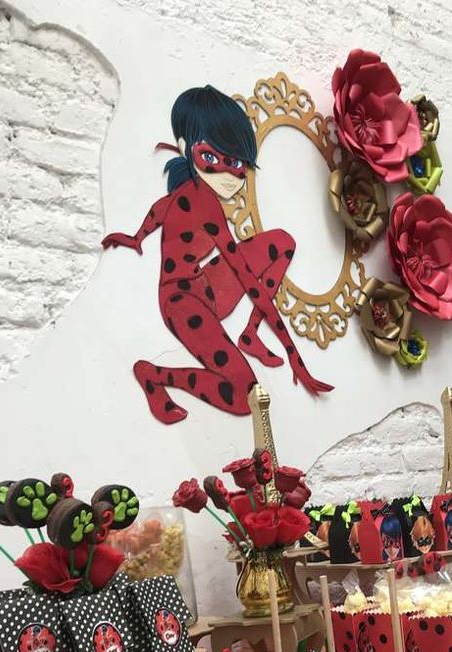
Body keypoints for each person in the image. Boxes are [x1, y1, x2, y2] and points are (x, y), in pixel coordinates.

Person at [102, 85, 331, 423]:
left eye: (237, 163)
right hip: (182, 303)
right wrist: (295, 356)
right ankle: (154, 375)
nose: (227, 174)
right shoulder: (206, 206)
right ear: (185, 149)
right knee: (245, 395)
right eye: (211, 158)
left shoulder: (192, 194)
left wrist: (137, 238)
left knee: (282, 242)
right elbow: (249, 282)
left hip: (206, 284)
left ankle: (250, 335)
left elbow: (160, 210)